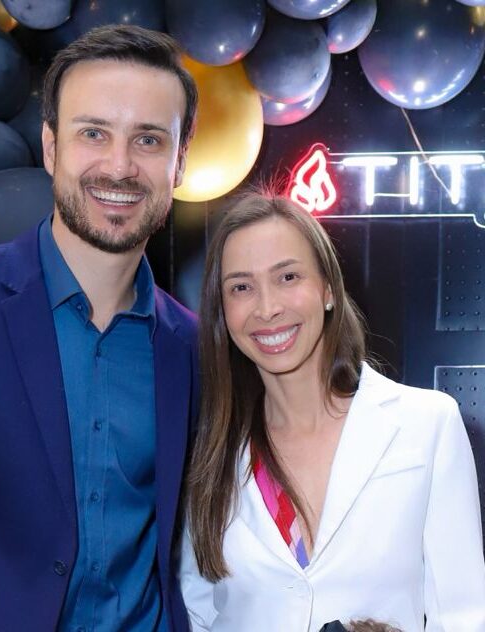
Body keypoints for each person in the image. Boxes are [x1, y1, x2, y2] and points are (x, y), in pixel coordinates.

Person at [0, 25, 199, 631]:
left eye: (149, 139)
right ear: (51, 147)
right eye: (93, 133)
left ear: (179, 161)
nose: (120, 166)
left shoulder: (193, 349)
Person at [179, 192, 485, 631]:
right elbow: (199, 613)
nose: (267, 308)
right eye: (241, 287)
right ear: (222, 311)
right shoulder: (211, 452)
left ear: (327, 288)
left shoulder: (427, 425)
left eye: (288, 276)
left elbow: (463, 617)